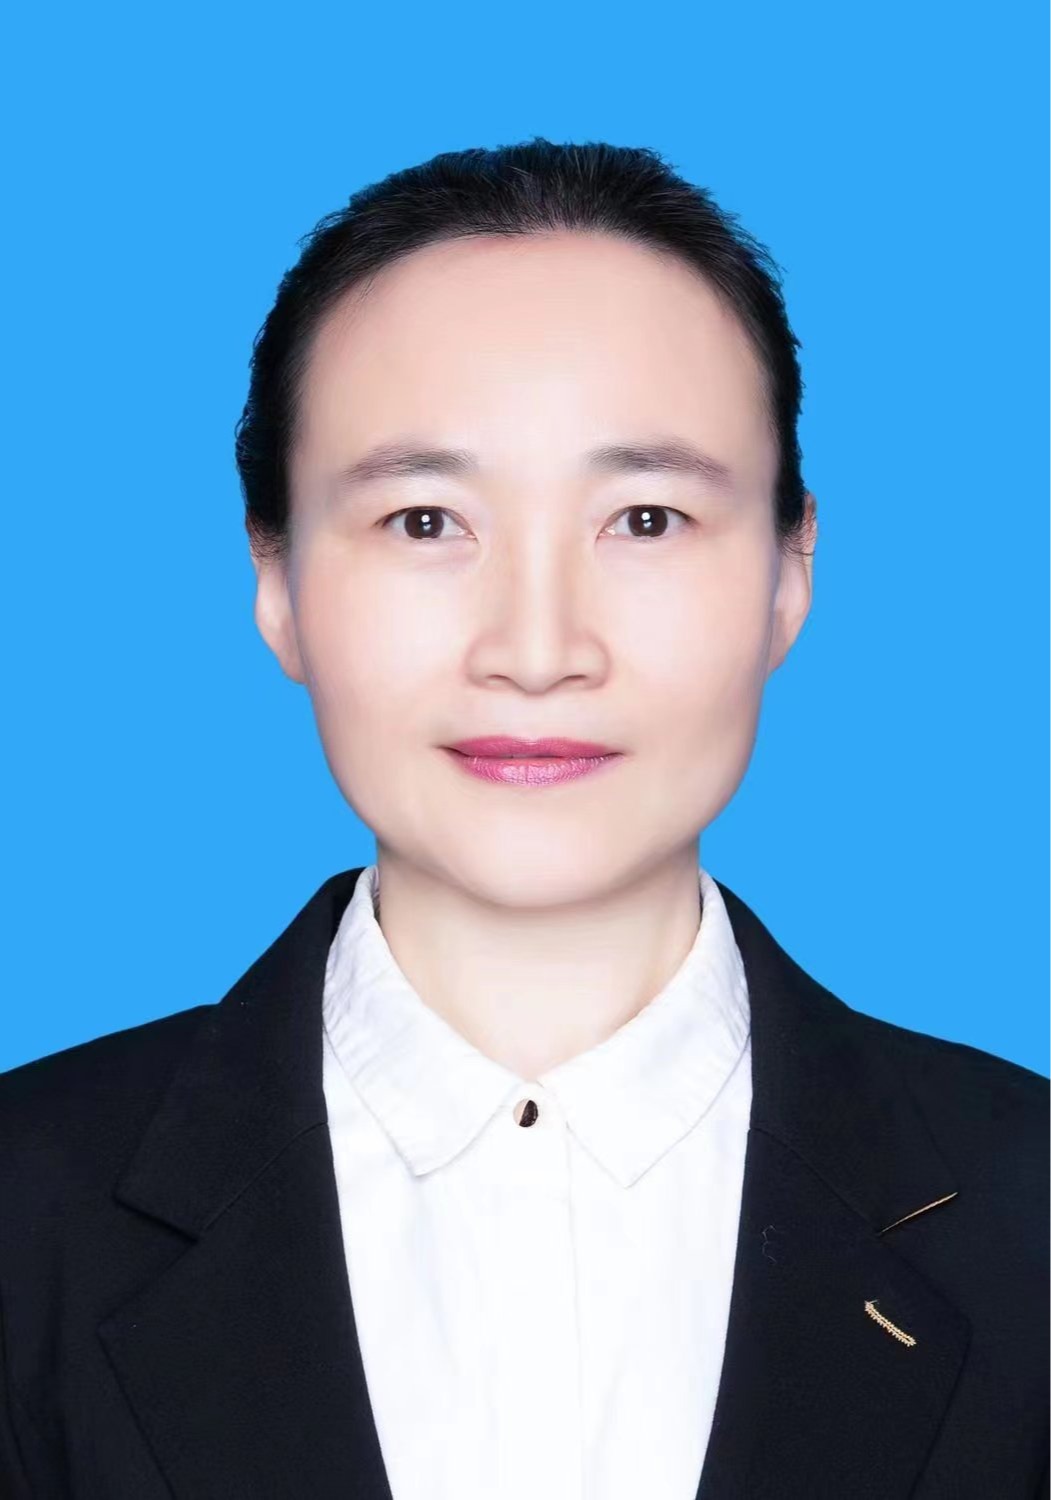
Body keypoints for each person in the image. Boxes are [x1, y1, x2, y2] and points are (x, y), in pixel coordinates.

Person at [0, 139, 1046, 1500]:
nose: (538, 650)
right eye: (425, 521)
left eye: (647, 519)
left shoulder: (1029, 1216)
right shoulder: (24, 1212)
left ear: (791, 572)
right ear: (276, 577)